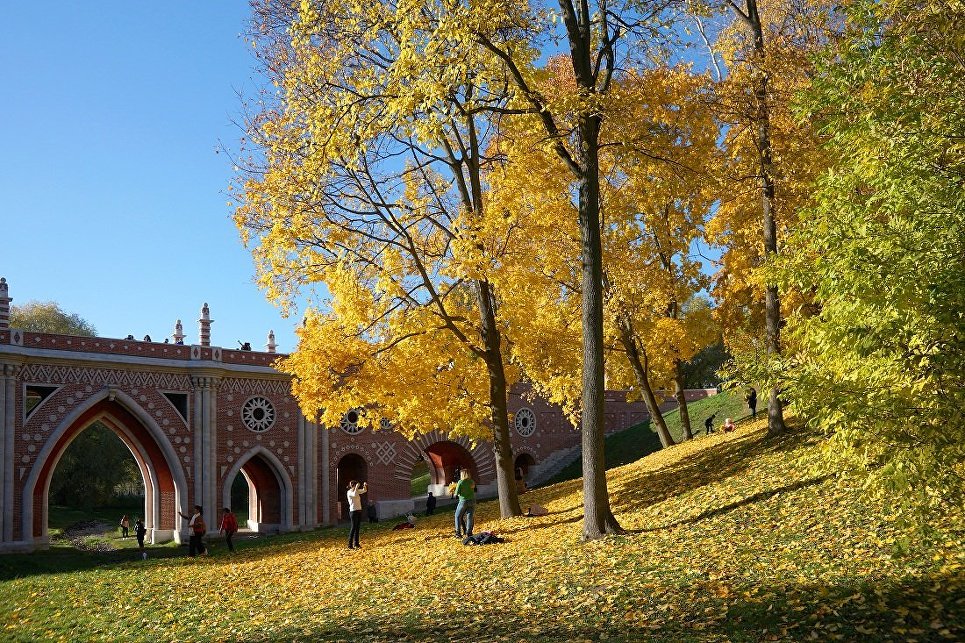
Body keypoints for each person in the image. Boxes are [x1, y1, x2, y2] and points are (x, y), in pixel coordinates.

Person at [453, 470, 476, 539]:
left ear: (462, 474)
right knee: (470, 517)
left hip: (463, 501)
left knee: (457, 516)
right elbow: (473, 489)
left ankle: (458, 533)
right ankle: (469, 532)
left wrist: (453, 491)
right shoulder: (472, 481)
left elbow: (456, 493)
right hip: (472, 500)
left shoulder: (461, 482)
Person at [346, 480, 367, 549]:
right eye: (355, 486)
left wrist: (365, 485)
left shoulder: (356, 491)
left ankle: (356, 544)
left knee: (357, 528)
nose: (356, 487)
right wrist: (356, 487)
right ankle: (350, 545)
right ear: (353, 486)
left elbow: (364, 491)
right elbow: (354, 495)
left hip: (358, 511)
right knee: (353, 527)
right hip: (353, 511)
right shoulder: (349, 492)